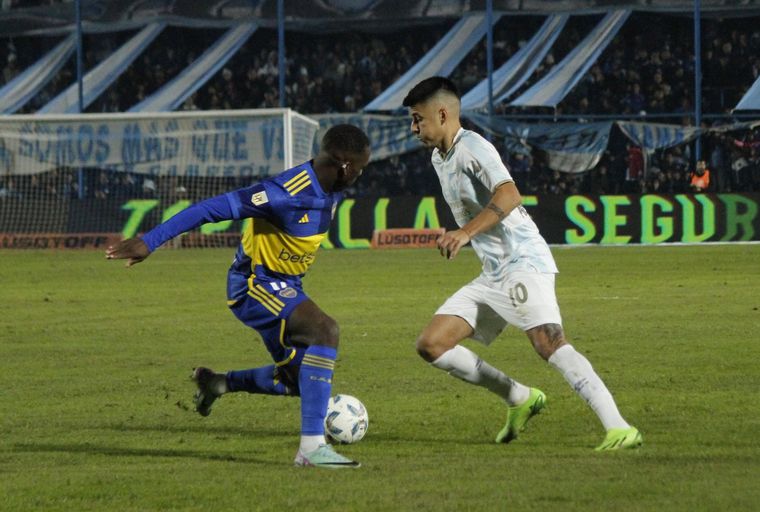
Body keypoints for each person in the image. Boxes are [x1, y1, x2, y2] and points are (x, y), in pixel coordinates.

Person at [106, 124, 371, 468]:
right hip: (254, 286)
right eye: (361, 168)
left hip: (287, 285)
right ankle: (311, 450)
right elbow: (209, 209)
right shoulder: (284, 192)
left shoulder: (330, 188)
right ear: (344, 164)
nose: (361, 176)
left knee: (297, 382)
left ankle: (217, 383)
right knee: (325, 330)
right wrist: (150, 241)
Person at [402, 77, 641, 451]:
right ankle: (520, 397)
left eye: (418, 119)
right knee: (431, 344)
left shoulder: (474, 148)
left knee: (548, 342)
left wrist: (464, 233)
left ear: (443, 114)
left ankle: (619, 426)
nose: (413, 128)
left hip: (523, 261)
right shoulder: (439, 157)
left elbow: (510, 193)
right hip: (494, 271)